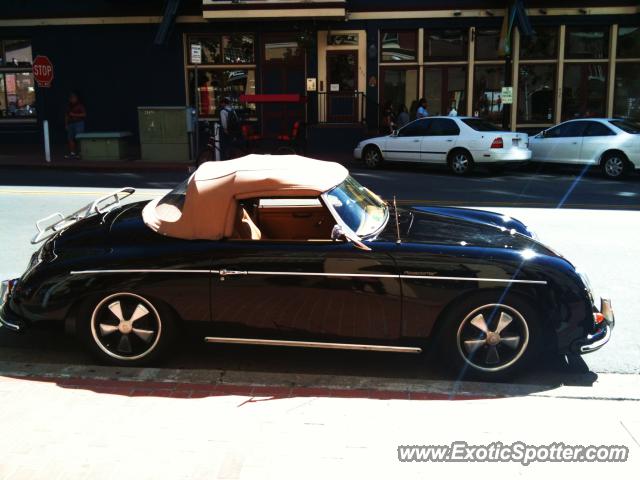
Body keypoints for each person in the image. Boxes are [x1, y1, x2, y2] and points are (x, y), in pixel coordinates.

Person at [65, 92, 86, 159]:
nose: (72, 99)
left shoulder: (80, 105)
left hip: (79, 123)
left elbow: (84, 114)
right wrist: (66, 124)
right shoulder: (68, 106)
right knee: (70, 139)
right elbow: (66, 116)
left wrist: (74, 114)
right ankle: (72, 153)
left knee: (79, 138)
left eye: (73, 98)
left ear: (76, 98)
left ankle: (80, 153)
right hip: (70, 124)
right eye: (71, 98)